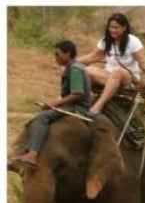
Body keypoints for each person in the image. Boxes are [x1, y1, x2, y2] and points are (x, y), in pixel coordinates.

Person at [10, 40, 91, 170]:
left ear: (68, 54)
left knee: (42, 118)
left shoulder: (75, 68)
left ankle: (32, 154)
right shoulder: (72, 67)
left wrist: (55, 103)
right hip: (73, 106)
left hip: (77, 108)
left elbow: (77, 94)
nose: (56, 58)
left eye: (58, 54)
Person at [77, 12, 145, 117]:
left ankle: (99, 105)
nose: (113, 30)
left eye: (116, 27)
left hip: (127, 78)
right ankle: (78, 100)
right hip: (109, 76)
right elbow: (93, 57)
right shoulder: (106, 41)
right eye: (111, 27)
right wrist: (73, 62)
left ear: (124, 28)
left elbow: (143, 61)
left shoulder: (133, 41)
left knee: (117, 71)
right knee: (87, 70)